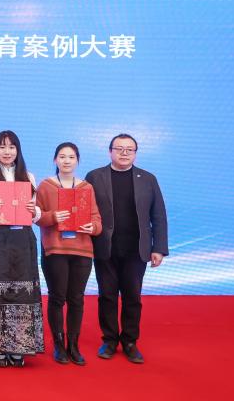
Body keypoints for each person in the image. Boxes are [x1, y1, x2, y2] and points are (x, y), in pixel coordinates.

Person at [85, 133, 168, 364]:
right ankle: (110, 340)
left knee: (132, 297)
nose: (124, 153)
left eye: (129, 149)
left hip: (136, 249)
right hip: (105, 247)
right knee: (107, 296)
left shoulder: (148, 179)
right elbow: (85, 210)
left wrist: (159, 248)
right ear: (110, 151)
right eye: (119, 148)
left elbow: (158, 215)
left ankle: (130, 342)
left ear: (135, 153)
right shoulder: (94, 176)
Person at [0, 130, 44, 368]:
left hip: (23, 241)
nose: (7, 152)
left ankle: (19, 346)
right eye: (2, 147)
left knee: (22, 292)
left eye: (11, 147)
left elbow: (36, 213)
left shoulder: (28, 176)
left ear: (18, 150)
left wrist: (34, 210)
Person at [36, 142, 102, 366]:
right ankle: (59, 344)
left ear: (78, 161)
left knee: (77, 298)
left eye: (71, 157)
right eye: (62, 156)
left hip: (82, 250)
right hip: (55, 249)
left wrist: (93, 227)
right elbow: (36, 217)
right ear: (55, 160)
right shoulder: (45, 186)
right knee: (57, 297)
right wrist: (53, 217)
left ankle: (74, 345)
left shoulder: (86, 187)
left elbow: (97, 219)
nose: (66, 161)